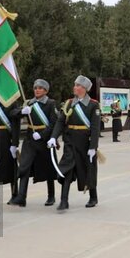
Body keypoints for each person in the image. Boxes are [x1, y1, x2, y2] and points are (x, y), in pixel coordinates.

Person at [49, 75, 101, 211]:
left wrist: (93, 147)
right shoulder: (69, 103)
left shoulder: (93, 105)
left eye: (78, 85)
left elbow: (95, 128)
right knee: (67, 170)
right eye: (75, 85)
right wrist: (54, 137)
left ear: (84, 89)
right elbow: (61, 121)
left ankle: (93, 197)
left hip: (85, 143)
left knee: (88, 170)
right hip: (70, 141)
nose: (75, 87)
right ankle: (64, 200)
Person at [10, 79, 58, 207]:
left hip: (44, 140)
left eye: (40, 88)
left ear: (46, 91)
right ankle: (21, 197)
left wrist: (42, 135)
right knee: (24, 167)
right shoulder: (29, 103)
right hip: (30, 140)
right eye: (35, 87)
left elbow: (54, 123)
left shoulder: (50, 104)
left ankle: (51, 196)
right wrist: (22, 111)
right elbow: (12, 114)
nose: (37, 89)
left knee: (48, 168)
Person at [0, 98, 21, 205]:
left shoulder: (12, 103)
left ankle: (15, 194)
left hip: (6, 139)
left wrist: (15, 144)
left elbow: (16, 125)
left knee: (10, 168)